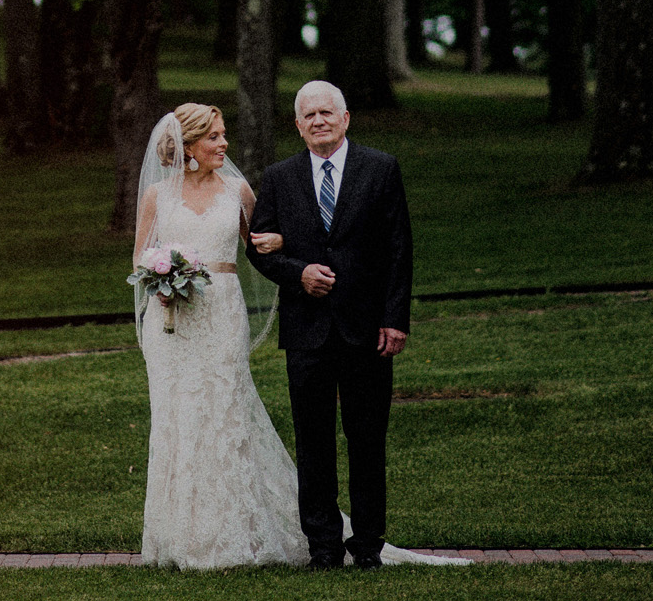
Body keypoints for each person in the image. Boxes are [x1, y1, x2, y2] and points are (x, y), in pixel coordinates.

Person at [135, 100, 460, 571]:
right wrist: (160, 280)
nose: (225, 143)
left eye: (224, 135)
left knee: (226, 416)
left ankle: (244, 533)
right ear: (187, 147)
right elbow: (142, 257)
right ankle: (182, 535)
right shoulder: (158, 197)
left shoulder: (240, 189)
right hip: (171, 321)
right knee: (178, 422)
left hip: (221, 315)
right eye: (215, 137)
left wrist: (286, 247)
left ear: (347, 118)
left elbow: (263, 241)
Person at [245, 79, 412, 571]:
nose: (318, 121)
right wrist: (297, 274)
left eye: (326, 112)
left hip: (367, 330)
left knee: (367, 440)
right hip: (308, 332)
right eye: (308, 115)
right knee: (313, 442)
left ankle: (367, 545)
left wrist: (394, 319)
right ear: (297, 126)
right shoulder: (278, 178)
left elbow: (399, 250)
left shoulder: (380, 169)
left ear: (345, 119)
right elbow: (258, 248)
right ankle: (322, 545)